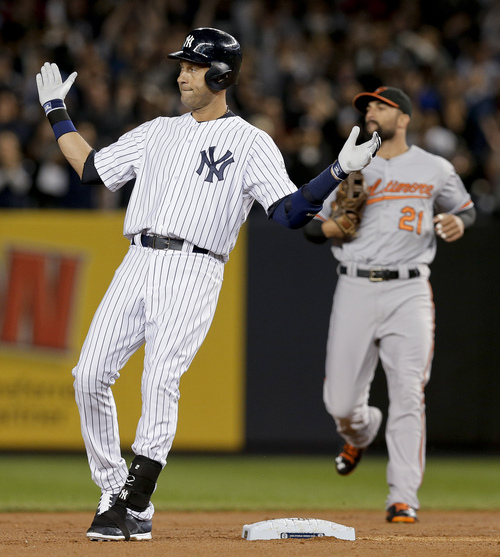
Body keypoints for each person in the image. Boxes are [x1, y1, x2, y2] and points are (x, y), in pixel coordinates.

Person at [36, 28, 380, 541]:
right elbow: (90, 168)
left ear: (220, 76)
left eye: (192, 67)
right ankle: (113, 491)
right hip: (137, 260)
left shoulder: (251, 142)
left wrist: (335, 171)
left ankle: (135, 501)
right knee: (88, 375)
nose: (182, 75)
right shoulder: (157, 131)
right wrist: (55, 110)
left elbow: (287, 213)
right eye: (182, 66)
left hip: (195, 267)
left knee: (159, 379)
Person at [304, 86, 475, 523]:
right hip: (355, 285)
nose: (371, 111)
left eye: (382, 105)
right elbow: (311, 227)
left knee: (409, 393)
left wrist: (458, 221)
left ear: (404, 119)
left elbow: (466, 209)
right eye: (368, 106)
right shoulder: (351, 164)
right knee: (341, 404)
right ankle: (360, 432)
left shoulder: (435, 168)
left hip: (409, 290)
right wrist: (333, 228)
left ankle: (402, 497)